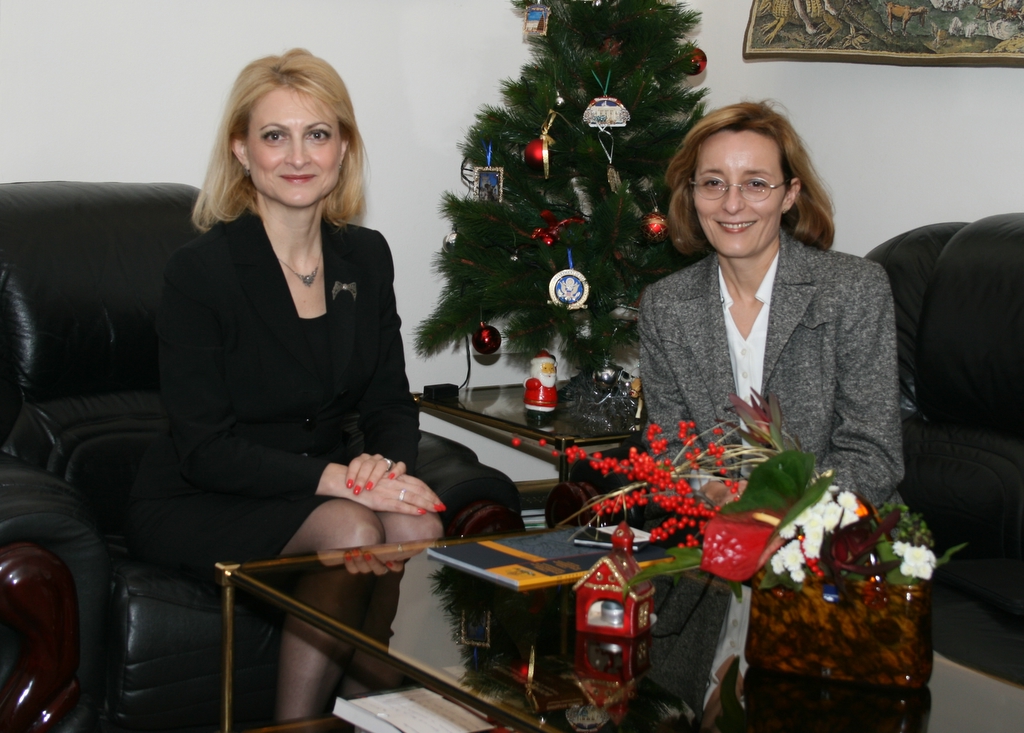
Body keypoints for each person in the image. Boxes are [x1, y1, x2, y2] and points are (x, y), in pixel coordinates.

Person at [127, 49, 444, 721]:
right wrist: (341, 478)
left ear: (343, 148)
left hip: (316, 483)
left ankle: (373, 697)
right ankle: (321, 715)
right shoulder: (201, 271)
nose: (297, 155)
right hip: (203, 492)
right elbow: (205, 447)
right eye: (275, 135)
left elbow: (388, 397)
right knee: (356, 522)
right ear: (242, 150)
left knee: (415, 516)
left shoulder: (367, 254)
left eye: (317, 134)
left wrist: (385, 465)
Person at [638, 100, 903, 723]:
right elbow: (670, 447)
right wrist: (709, 491)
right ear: (691, 194)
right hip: (706, 567)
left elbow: (873, 453)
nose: (732, 204)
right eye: (713, 183)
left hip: (826, 562)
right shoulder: (665, 306)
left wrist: (775, 517)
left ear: (790, 194)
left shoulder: (854, 291)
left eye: (756, 183)